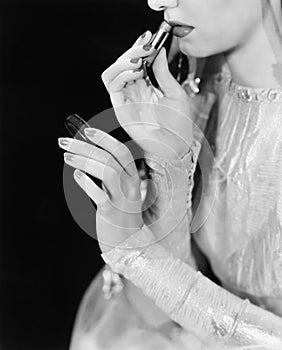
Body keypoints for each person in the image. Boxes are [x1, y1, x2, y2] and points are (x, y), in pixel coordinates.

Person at [58, 0, 282, 349]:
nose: (158, 1)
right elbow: (164, 306)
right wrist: (170, 162)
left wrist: (135, 252)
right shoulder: (195, 73)